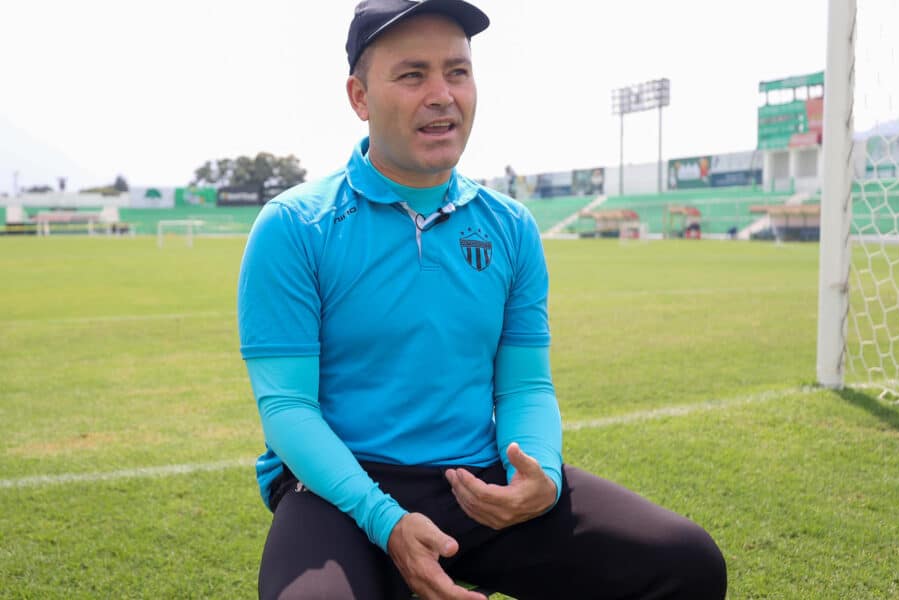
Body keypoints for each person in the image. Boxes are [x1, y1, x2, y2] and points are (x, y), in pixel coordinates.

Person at [237, 1, 727, 598]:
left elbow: (524, 387)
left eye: (458, 71)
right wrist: (384, 520)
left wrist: (540, 474)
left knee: (686, 563)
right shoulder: (295, 226)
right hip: (337, 490)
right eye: (412, 75)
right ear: (360, 98)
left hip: (474, 482)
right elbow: (287, 408)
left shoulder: (510, 227)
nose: (442, 94)